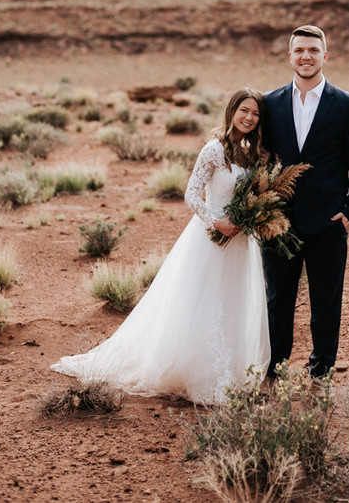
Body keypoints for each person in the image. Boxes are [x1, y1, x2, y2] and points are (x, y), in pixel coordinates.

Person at [51, 88, 271, 404]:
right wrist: (216, 222)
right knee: (201, 302)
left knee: (233, 302)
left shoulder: (254, 154)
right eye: (244, 110)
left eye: (255, 114)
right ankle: (196, 372)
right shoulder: (214, 150)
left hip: (241, 243)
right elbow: (192, 195)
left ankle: (231, 371)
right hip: (211, 238)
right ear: (232, 111)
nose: (249, 118)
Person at [262, 25, 349, 383]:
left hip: (328, 221)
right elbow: (261, 160)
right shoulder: (269, 103)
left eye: (312, 50)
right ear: (289, 56)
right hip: (280, 222)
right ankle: (275, 368)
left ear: (325, 56)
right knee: (278, 301)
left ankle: (321, 371)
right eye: (299, 50)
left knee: (326, 302)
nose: (305, 56)